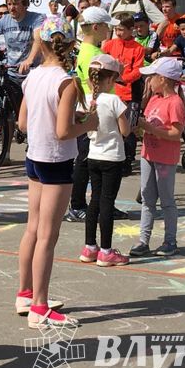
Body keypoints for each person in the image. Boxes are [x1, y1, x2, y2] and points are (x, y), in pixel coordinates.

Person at [17, 24, 95, 328]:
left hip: (34, 156)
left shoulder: (33, 76)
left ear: (43, 44)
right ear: (70, 45)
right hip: (56, 160)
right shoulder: (66, 82)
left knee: (33, 229)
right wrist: (89, 124)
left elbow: (23, 123)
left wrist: (70, 117)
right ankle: (39, 306)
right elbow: (63, 132)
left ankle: (25, 294)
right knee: (48, 236)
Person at [66, 6, 123, 222]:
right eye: (107, 26)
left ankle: (101, 203)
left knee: (89, 158)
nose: (109, 30)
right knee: (88, 159)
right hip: (97, 109)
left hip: (91, 106)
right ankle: (79, 205)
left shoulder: (85, 50)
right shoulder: (95, 54)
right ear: (97, 27)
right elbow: (95, 82)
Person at [129, 57, 185, 257]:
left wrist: (150, 128)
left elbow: (176, 134)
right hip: (148, 154)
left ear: (162, 79)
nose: (148, 81)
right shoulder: (154, 99)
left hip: (165, 158)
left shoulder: (175, 102)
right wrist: (138, 127)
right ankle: (143, 240)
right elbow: (147, 125)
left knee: (167, 200)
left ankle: (170, 241)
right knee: (147, 198)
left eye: (152, 77)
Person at [79, 54, 131, 267]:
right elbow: (125, 131)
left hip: (93, 154)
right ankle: (106, 251)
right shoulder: (113, 100)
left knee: (94, 201)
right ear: (110, 80)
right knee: (107, 202)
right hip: (112, 157)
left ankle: (90, 247)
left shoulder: (86, 98)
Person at [0, 0, 45, 118]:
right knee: (8, 113)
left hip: (31, 74)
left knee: (31, 115)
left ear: (25, 4)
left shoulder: (36, 18)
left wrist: (29, 60)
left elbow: (38, 40)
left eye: (15, 4)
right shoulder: (5, 20)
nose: (11, 8)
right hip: (12, 73)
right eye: (9, 4)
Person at [102, 16, 146, 175]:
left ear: (131, 30)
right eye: (116, 29)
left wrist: (123, 79)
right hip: (112, 92)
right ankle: (114, 157)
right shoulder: (110, 44)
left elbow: (138, 70)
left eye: (121, 29)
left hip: (130, 93)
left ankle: (127, 160)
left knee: (129, 128)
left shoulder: (138, 48)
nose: (118, 32)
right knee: (112, 126)